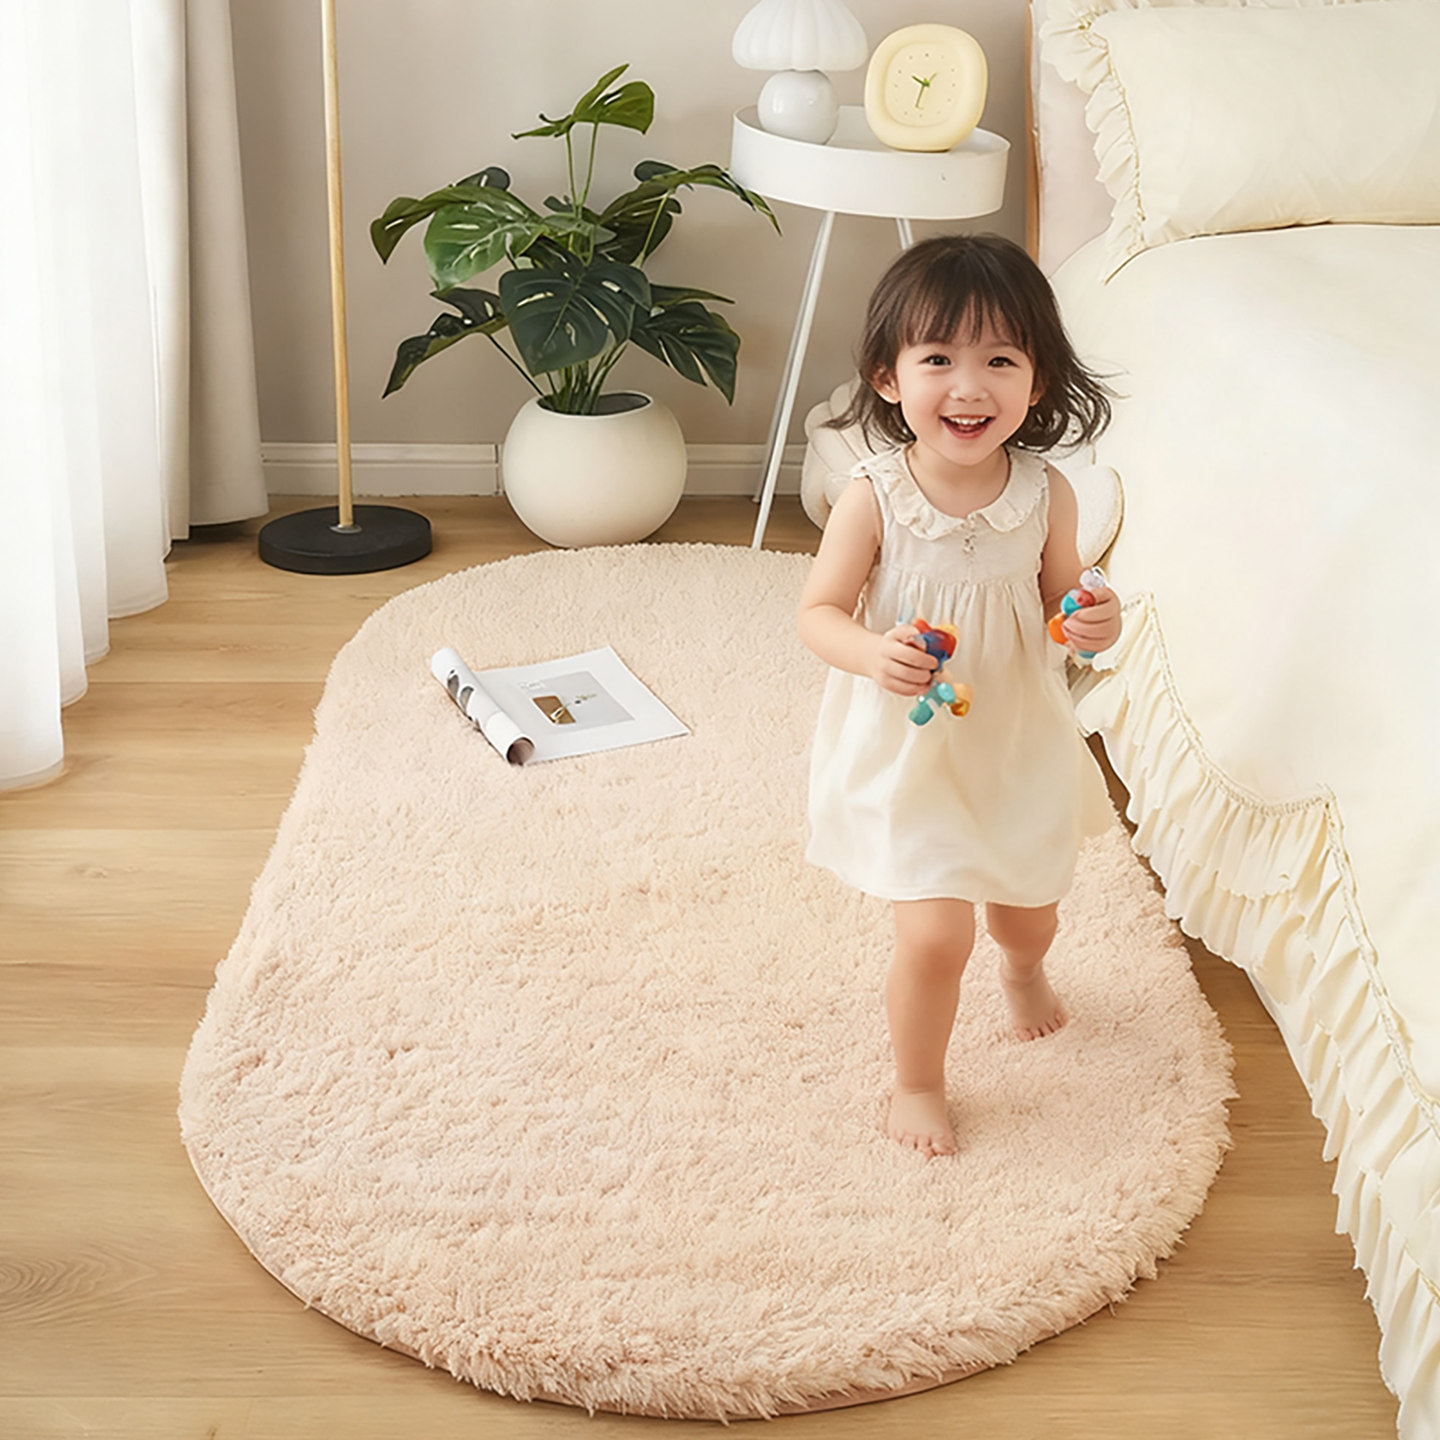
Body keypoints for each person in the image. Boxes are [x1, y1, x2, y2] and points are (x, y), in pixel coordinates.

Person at [796, 233, 1121, 1159]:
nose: (969, 387)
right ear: (888, 376)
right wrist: (873, 652)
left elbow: (1061, 602)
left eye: (1000, 361)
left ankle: (1023, 970)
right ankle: (919, 1082)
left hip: (1013, 742)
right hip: (913, 750)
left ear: (1039, 380)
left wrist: (1089, 620)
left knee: (1028, 914)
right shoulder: (874, 497)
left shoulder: (1046, 493)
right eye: (938, 358)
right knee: (937, 936)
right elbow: (817, 614)